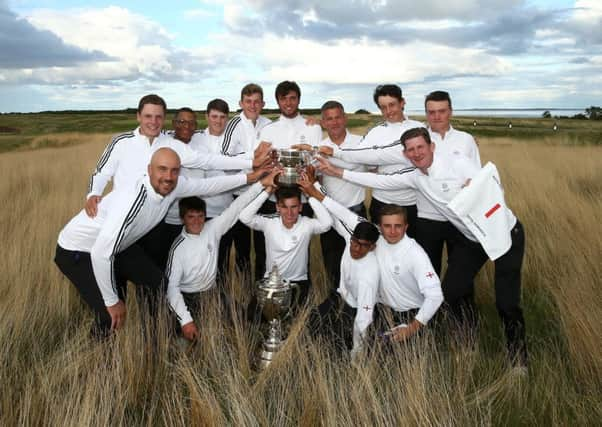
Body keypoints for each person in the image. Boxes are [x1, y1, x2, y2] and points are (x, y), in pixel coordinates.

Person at [317, 127, 528, 368]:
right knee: (452, 293)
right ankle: (467, 342)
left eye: (420, 147)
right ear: (405, 154)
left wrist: (475, 188)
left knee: (506, 303)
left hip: (505, 234)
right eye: (411, 150)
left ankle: (518, 360)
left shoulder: (458, 163)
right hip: (472, 240)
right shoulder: (416, 177)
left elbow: (494, 185)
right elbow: (380, 180)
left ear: (431, 147)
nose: (416, 153)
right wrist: (337, 172)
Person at [55, 147, 267, 338]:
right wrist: (112, 302)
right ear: (149, 170)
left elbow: (208, 185)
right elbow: (101, 254)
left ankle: (158, 335)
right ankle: (101, 359)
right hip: (79, 250)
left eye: (175, 170)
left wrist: (252, 178)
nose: (168, 177)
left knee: (157, 282)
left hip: (118, 245)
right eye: (162, 169)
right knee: (110, 315)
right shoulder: (132, 202)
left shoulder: (174, 186)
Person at [85, 95, 271, 270]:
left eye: (158, 117)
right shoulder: (121, 141)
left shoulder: (171, 144)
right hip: (122, 219)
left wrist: (249, 163)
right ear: (138, 116)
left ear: (164, 118)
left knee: (155, 273)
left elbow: (208, 160)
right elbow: (102, 171)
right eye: (148, 116)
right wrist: (93, 193)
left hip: (155, 221)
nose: (153, 121)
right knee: (116, 270)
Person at [165, 170, 279, 342]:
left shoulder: (213, 228)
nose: (196, 221)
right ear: (182, 219)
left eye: (200, 216)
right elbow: (172, 289)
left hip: (212, 293)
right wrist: (186, 321)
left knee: (243, 322)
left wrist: (261, 185)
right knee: (187, 340)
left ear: (205, 216)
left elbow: (237, 206)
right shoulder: (178, 248)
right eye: (191, 217)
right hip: (188, 296)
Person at [314, 85, 423, 232]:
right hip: (381, 202)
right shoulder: (374, 132)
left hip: (413, 202)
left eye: (392, 105)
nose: (388, 111)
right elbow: (358, 156)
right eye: (383, 107)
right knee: (380, 250)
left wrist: (335, 156)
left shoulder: (419, 128)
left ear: (402, 102)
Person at [299, 176, 379, 357]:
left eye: (363, 246)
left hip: (359, 308)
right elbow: (336, 210)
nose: (356, 249)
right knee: (311, 322)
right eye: (354, 242)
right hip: (340, 297)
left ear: (372, 247)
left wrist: (356, 354)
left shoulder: (370, 273)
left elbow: (364, 318)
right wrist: (314, 187)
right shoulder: (350, 234)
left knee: (338, 341)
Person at [252, 81, 323, 281]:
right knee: (265, 248)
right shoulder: (268, 130)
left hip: (303, 199)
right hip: (274, 198)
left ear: (299, 99)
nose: (288, 102)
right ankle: (264, 290)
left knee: (301, 248)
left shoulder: (313, 126)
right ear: (278, 101)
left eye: (292, 98)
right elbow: (259, 163)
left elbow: (316, 163)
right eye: (283, 98)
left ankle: (301, 291)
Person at [239, 176, 332, 308]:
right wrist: (268, 191)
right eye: (284, 207)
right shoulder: (269, 222)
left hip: (298, 283)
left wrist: (309, 194)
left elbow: (327, 223)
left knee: (301, 320)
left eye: (294, 207)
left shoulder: (306, 224)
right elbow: (244, 217)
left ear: (300, 207)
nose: (289, 213)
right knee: (253, 316)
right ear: (277, 207)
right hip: (272, 282)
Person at [219, 83, 273, 274]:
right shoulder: (233, 124)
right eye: (248, 101)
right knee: (241, 247)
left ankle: (260, 286)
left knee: (262, 245)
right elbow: (224, 158)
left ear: (263, 104)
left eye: (257, 102)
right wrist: (253, 157)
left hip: (263, 193)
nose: (252, 105)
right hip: (240, 194)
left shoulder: (269, 125)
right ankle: (242, 288)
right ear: (241, 103)